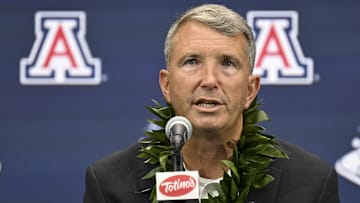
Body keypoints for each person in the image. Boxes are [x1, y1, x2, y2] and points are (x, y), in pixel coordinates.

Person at [83, 4, 340, 203]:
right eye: (192, 61)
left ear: (250, 90)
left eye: (227, 63)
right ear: (167, 85)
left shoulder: (311, 184)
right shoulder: (111, 184)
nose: (209, 80)